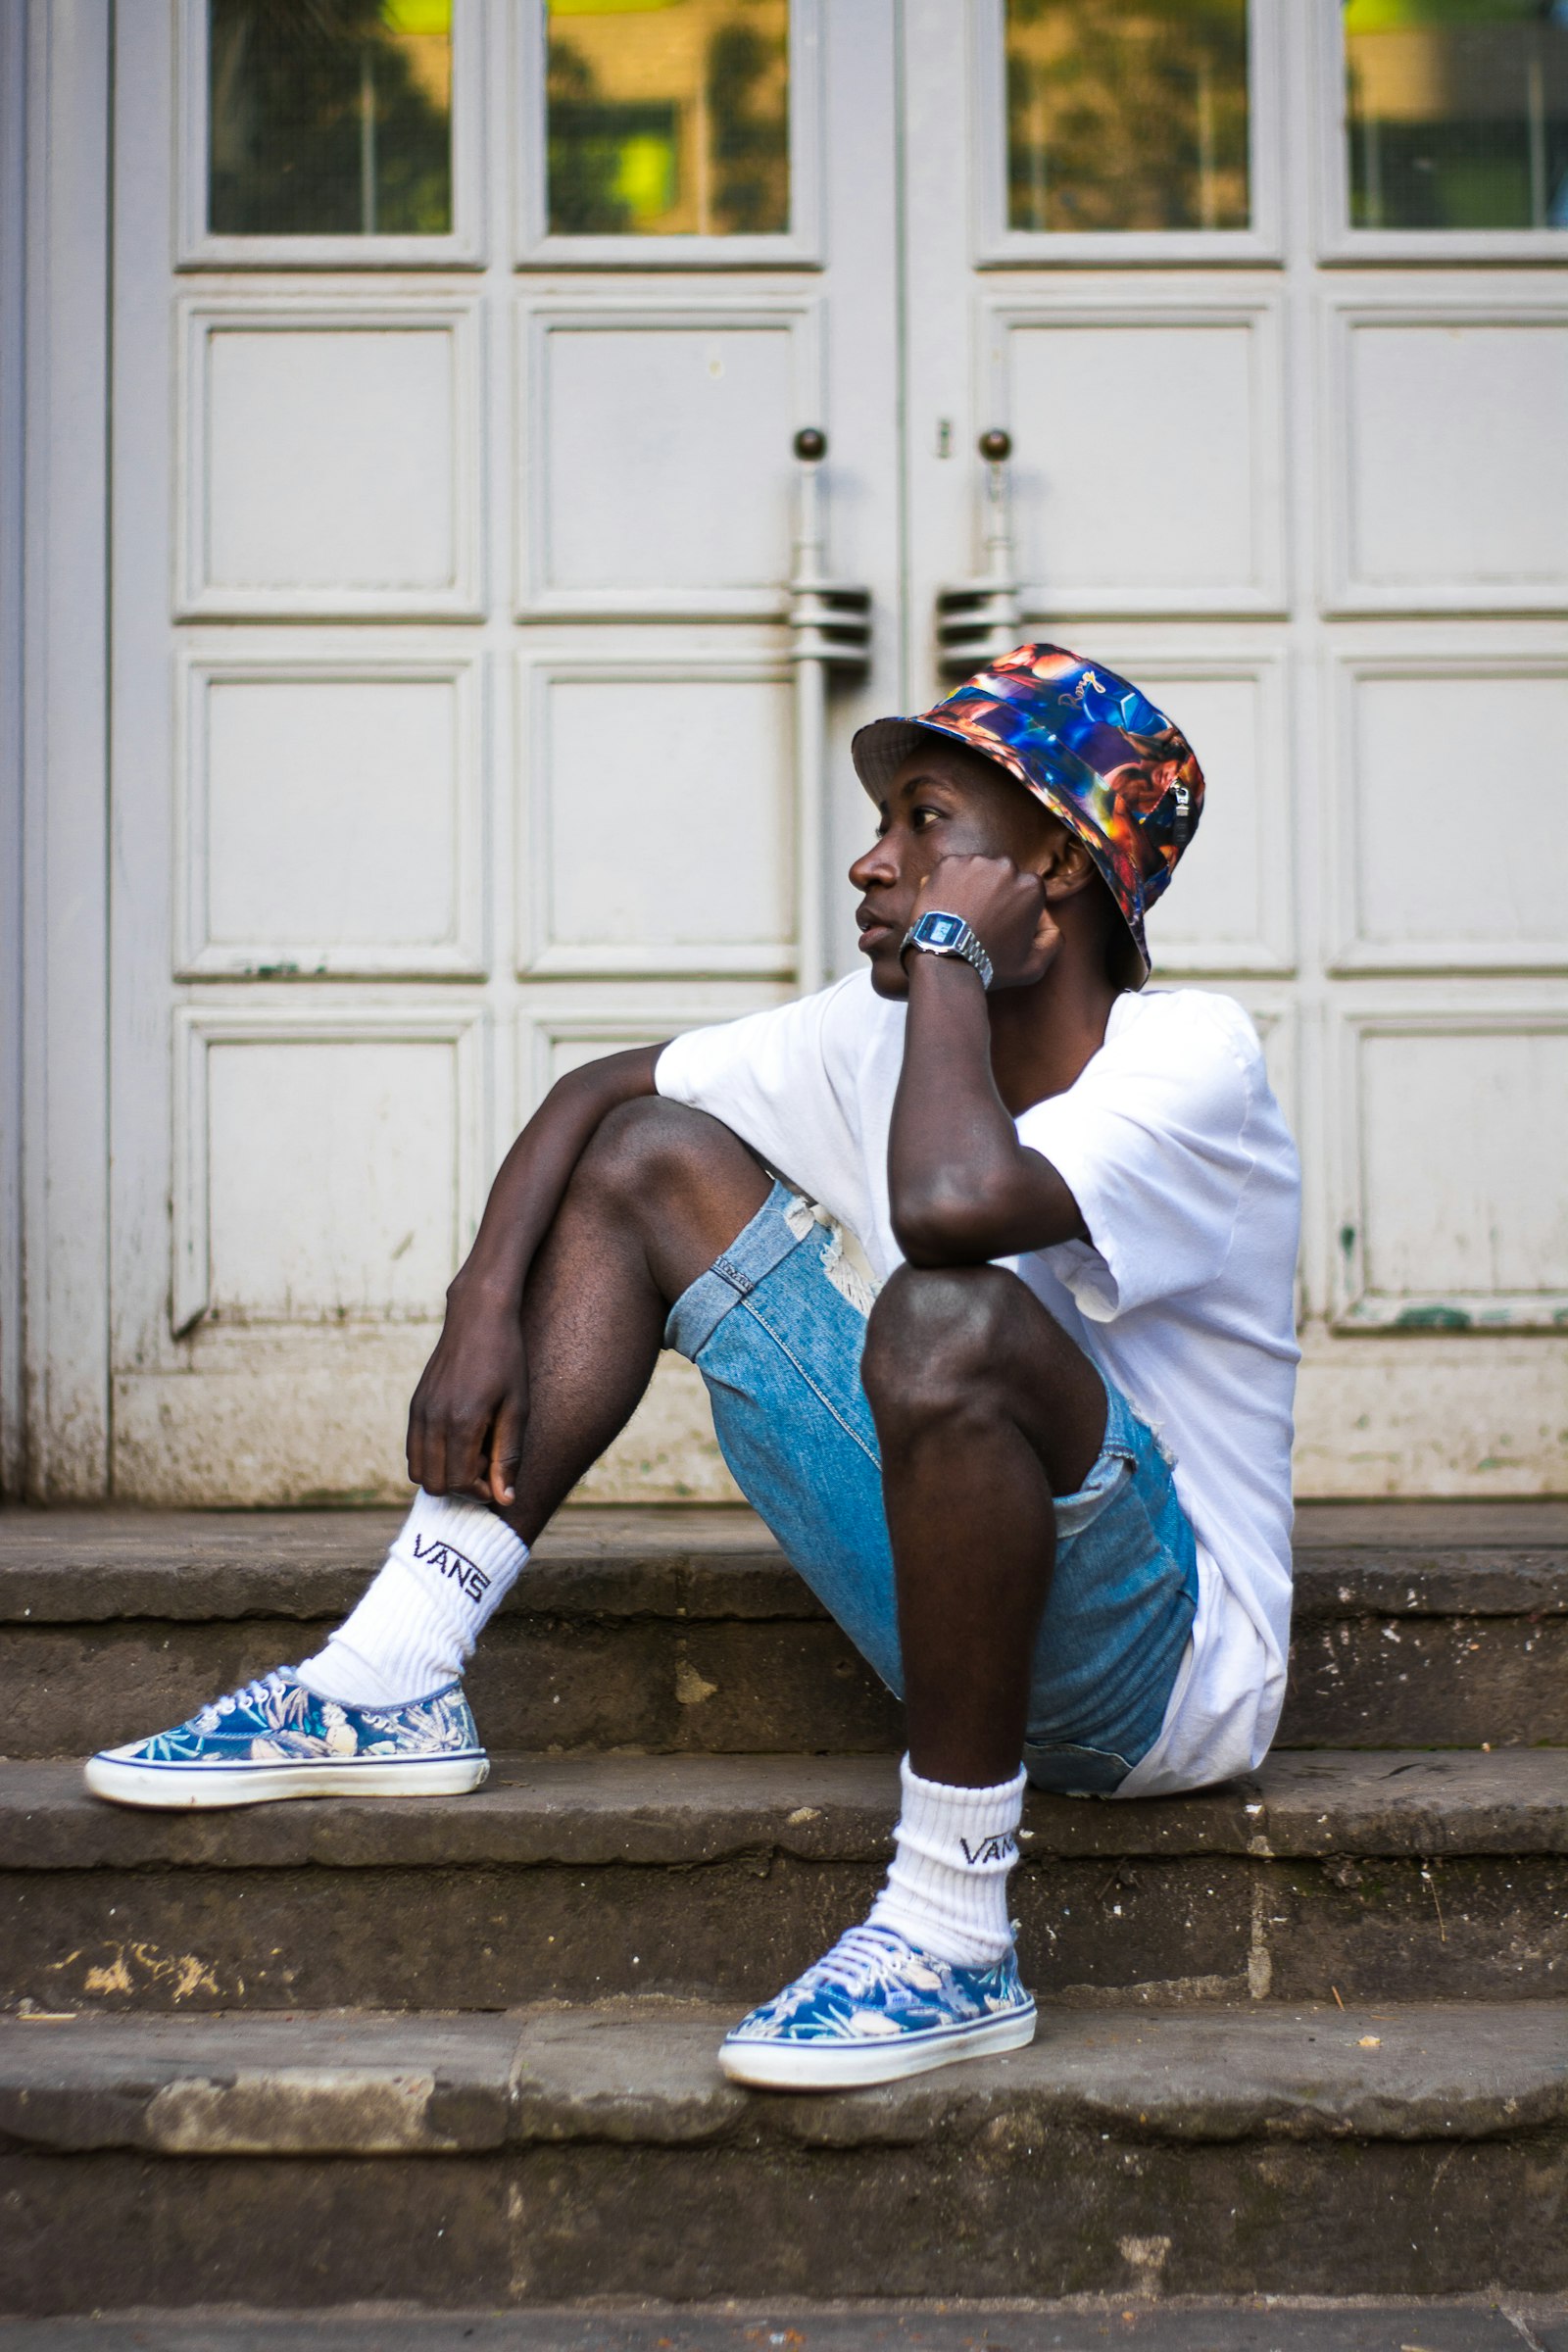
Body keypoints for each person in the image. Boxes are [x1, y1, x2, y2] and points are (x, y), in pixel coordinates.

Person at [85, 645, 1300, 2094]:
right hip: (963, 1613)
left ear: (1051, 866)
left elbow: (952, 1210)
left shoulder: (1191, 1061)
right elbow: (600, 1090)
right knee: (653, 1160)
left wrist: (952, 962)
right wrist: (482, 1302)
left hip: (1162, 1675)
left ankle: (952, 1927)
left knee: (944, 1312)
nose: (873, 861)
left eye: (926, 825)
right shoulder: (884, 1033)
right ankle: (394, 1668)